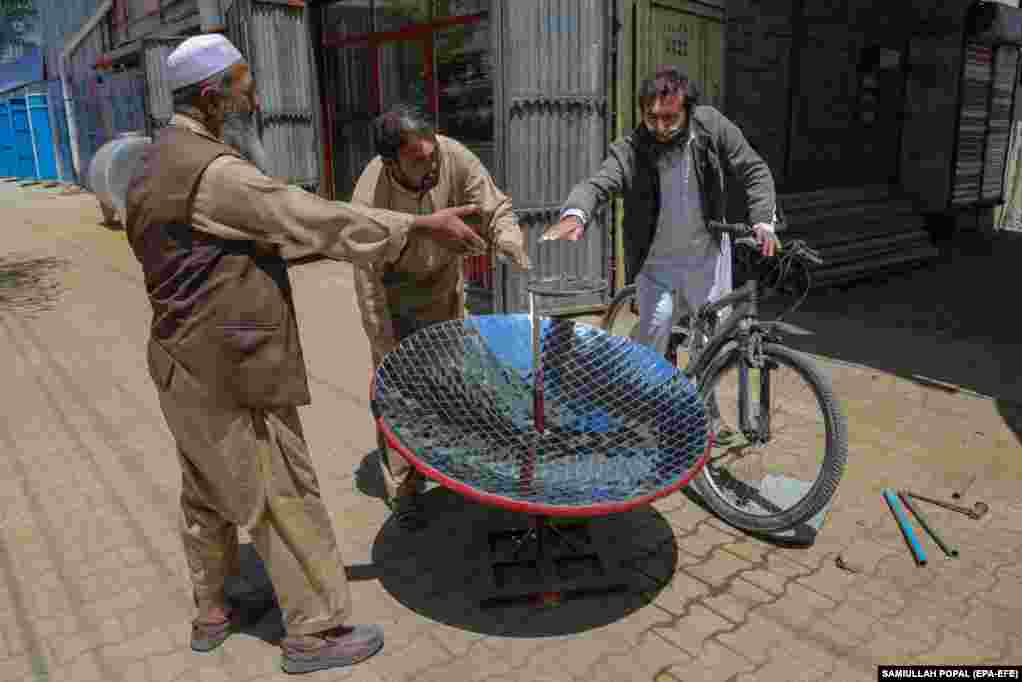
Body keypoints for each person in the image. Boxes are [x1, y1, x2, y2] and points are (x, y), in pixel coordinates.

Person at [123, 34, 485, 674]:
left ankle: (214, 608)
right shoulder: (217, 173)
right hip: (231, 368)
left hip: (177, 360)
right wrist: (419, 226)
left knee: (206, 490)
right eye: (243, 84)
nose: (253, 94)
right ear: (213, 97)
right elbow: (307, 217)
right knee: (281, 491)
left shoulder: (153, 161)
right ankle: (314, 632)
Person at [542, 65, 781, 439]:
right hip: (658, 264)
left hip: (706, 258)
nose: (661, 126)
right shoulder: (633, 149)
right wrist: (576, 214)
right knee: (654, 335)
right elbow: (598, 183)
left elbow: (753, 171)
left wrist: (763, 221)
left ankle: (706, 413)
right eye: (651, 117)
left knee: (711, 346)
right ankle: (642, 412)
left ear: (687, 111)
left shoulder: (711, 127)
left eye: (670, 117)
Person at [350, 104, 531, 530]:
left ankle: (450, 467)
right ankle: (405, 487)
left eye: (433, 154)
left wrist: (507, 237)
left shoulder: (451, 155)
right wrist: (384, 342)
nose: (431, 164)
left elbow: (494, 204)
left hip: (444, 290)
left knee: (453, 384)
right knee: (399, 399)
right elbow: (367, 282)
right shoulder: (370, 194)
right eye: (418, 160)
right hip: (394, 300)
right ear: (391, 162)